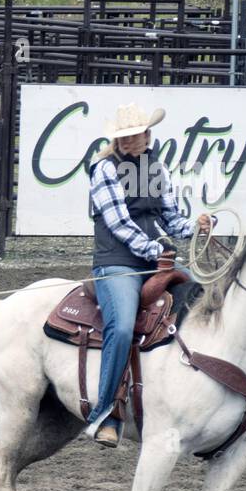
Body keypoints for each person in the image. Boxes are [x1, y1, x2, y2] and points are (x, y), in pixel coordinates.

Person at [85, 103, 211, 448]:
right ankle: (105, 413)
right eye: (123, 137)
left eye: (134, 135)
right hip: (117, 263)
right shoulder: (104, 169)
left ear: (147, 135)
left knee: (201, 300)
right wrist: (156, 250)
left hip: (155, 260)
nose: (129, 141)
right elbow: (118, 223)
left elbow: (172, 218)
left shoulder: (157, 169)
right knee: (122, 327)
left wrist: (195, 227)